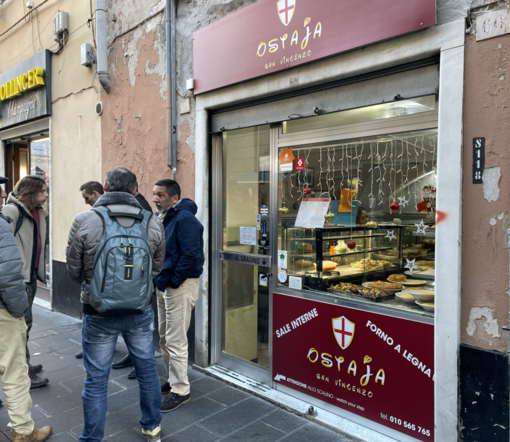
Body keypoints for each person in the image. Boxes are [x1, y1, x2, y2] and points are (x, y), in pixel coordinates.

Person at [66, 167, 165, 442]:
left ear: (106, 188)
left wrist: (93, 285)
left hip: (97, 310)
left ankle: (92, 437)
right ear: (135, 191)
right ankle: (152, 427)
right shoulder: (152, 221)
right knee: (147, 370)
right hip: (140, 310)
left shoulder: (85, 219)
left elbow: (73, 269)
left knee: (96, 379)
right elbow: (157, 268)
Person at [0, 175, 52, 442]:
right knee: (14, 360)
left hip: (29, 278)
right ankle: (23, 432)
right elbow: (5, 265)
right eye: (42, 190)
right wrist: (17, 304)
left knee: (21, 337)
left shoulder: (40, 212)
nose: (46, 194)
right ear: (31, 192)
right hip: (14, 287)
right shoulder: (9, 213)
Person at [153, 179, 204, 412]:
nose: (155, 199)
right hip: (164, 284)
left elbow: (192, 256)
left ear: (174, 198)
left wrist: (173, 281)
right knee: (164, 337)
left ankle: (181, 390)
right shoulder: (163, 218)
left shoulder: (186, 220)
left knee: (175, 339)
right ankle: (174, 380)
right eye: (154, 194)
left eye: (161, 195)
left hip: (179, 285)